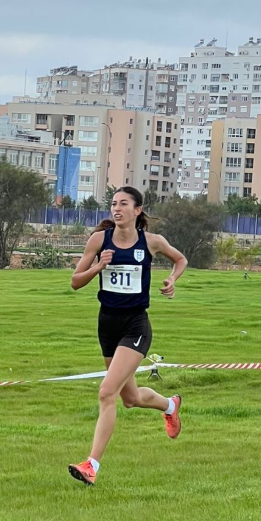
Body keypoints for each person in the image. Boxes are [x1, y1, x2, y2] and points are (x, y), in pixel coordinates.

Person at [68, 186, 188, 486]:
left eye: (123, 204)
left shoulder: (152, 242)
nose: (116, 209)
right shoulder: (99, 240)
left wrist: (172, 279)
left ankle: (91, 465)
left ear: (137, 210)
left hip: (136, 326)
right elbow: (74, 282)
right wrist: (99, 266)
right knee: (130, 398)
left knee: (106, 393)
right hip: (107, 325)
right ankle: (170, 406)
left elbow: (180, 259)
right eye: (113, 204)